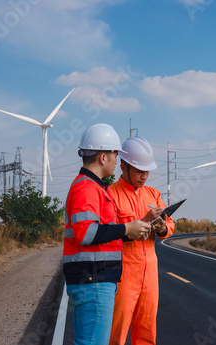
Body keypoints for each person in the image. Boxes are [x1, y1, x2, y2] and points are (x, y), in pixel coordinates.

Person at [63, 124, 151, 345]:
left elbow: (101, 234)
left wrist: (130, 232)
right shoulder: (87, 188)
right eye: (114, 155)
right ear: (103, 157)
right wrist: (125, 229)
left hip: (95, 279)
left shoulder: (95, 188)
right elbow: (86, 233)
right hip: (92, 280)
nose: (116, 161)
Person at [109, 137, 175, 345]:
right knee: (117, 331)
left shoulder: (154, 194)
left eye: (147, 171)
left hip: (150, 274)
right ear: (124, 167)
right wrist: (134, 228)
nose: (144, 176)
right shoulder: (110, 194)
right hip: (123, 274)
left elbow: (170, 226)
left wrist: (163, 227)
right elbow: (106, 234)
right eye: (139, 171)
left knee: (147, 329)